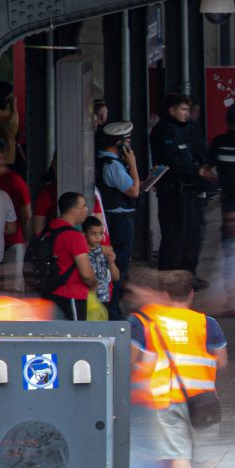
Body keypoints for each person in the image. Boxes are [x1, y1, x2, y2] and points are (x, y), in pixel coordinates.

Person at [131, 269, 227, 468]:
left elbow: (143, 362)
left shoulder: (152, 323)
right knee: (201, 451)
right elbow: (222, 360)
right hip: (204, 399)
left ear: (164, 294)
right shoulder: (207, 323)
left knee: (177, 454)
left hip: (167, 398)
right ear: (191, 293)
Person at [150, 92, 214, 287]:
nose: (187, 113)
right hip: (173, 193)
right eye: (183, 109)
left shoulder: (184, 129)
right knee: (174, 236)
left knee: (192, 235)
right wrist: (197, 170)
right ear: (172, 110)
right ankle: (169, 279)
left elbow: (195, 152)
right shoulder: (164, 131)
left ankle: (188, 275)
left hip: (189, 191)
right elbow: (175, 160)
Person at [97, 122, 141, 318]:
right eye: (128, 141)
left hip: (115, 218)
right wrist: (132, 164)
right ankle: (113, 311)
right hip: (119, 220)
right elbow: (134, 190)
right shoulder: (112, 165)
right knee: (118, 266)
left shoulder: (107, 161)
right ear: (121, 144)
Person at [42, 192, 97, 321]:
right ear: (73, 211)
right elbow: (86, 274)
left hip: (49, 292)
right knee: (75, 337)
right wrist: (94, 284)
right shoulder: (75, 236)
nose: (87, 210)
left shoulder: (49, 229)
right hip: (72, 294)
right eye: (83, 206)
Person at [0, 137, 30, 290]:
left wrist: (26, 243)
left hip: (13, 242)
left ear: (0, 156)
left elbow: (26, 214)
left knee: (12, 288)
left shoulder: (14, 181)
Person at [83, 216, 119, 320]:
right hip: (89, 299)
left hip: (104, 298)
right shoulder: (82, 253)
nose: (98, 237)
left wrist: (112, 263)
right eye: (94, 234)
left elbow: (116, 277)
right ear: (84, 234)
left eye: (100, 233)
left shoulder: (105, 252)